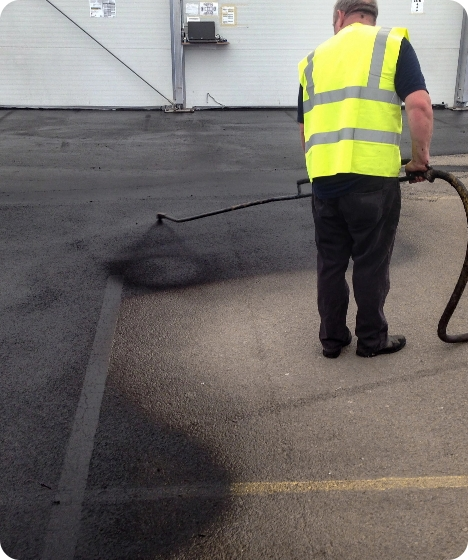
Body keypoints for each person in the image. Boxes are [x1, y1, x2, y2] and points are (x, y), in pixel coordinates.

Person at [297, 0, 433, 358]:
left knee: (330, 263)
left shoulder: (314, 59)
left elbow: (305, 127)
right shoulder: (391, 44)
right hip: (374, 182)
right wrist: (419, 161)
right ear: (371, 15)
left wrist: (318, 169)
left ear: (340, 16)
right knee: (371, 263)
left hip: (325, 183)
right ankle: (371, 341)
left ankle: (332, 340)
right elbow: (418, 105)